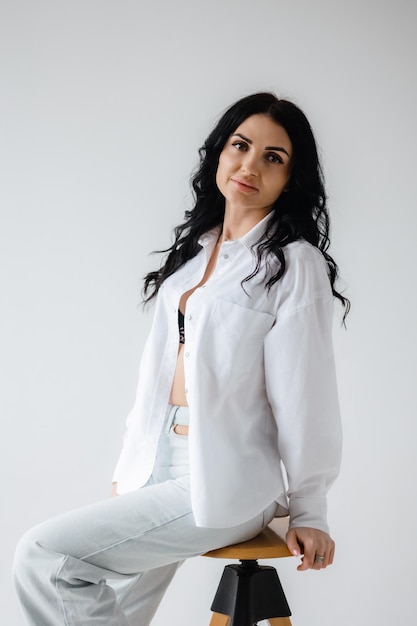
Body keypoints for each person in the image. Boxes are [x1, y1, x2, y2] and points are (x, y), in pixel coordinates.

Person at [13, 92, 349, 625]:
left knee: (45, 557)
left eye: (273, 157)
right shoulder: (196, 256)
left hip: (226, 478)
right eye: (240, 146)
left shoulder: (292, 264)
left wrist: (311, 510)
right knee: (117, 610)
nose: (250, 165)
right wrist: (132, 469)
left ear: (291, 179)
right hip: (157, 463)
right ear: (219, 152)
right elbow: (155, 378)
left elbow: (305, 397)